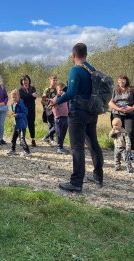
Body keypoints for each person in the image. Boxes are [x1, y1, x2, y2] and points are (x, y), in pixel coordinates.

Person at [50, 43, 104, 192]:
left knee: (77, 147)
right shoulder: (92, 69)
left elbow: (72, 93)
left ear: (73, 56)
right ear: (86, 54)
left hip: (78, 113)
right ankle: (98, 176)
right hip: (92, 112)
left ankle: (76, 182)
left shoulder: (75, 69)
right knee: (93, 143)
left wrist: (56, 100)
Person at [108, 75, 134, 160]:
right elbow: (110, 102)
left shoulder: (132, 90)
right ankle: (118, 150)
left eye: (123, 80)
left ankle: (132, 151)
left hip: (130, 113)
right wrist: (118, 108)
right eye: (119, 80)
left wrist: (132, 108)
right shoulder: (114, 90)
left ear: (126, 81)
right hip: (117, 113)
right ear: (117, 81)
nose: (121, 82)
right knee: (117, 131)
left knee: (130, 132)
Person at [7, 89, 31, 157]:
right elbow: (15, 112)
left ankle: (27, 151)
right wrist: (12, 113)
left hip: (22, 124)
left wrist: (18, 115)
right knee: (13, 138)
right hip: (15, 124)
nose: (14, 98)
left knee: (22, 139)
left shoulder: (21, 104)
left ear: (19, 97)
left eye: (15, 97)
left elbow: (25, 113)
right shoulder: (13, 104)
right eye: (13, 97)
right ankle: (12, 149)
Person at [18, 74, 37, 147]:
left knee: (31, 124)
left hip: (32, 109)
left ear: (29, 80)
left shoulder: (33, 88)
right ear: (21, 82)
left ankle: (33, 139)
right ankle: (22, 140)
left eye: (26, 80)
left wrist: (28, 97)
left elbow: (34, 98)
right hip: (23, 109)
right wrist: (31, 95)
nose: (25, 81)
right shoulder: (20, 90)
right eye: (23, 80)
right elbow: (22, 97)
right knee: (23, 124)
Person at [51, 82, 69, 154]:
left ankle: (61, 146)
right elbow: (52, 107)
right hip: (59, 118)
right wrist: (57, 116)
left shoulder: (65, 98)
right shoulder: (56, 98)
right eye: (60, 90)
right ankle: (59, 148)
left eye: (63, 90)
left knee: (63, 133)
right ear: (57, 90)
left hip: (65, 117)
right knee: (59, 133)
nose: (62, 91)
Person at [41, 75, 58, 146]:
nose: (55, 81)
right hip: (49, 110)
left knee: (56, 124)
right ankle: (51, 139)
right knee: (51, 125)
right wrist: (47, 106)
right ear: (50, 81)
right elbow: (43, 100)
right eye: (53, 80)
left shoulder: (57, 89)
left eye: (56, 80)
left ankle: (47, 137)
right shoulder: (47, 90)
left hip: (57, 110)